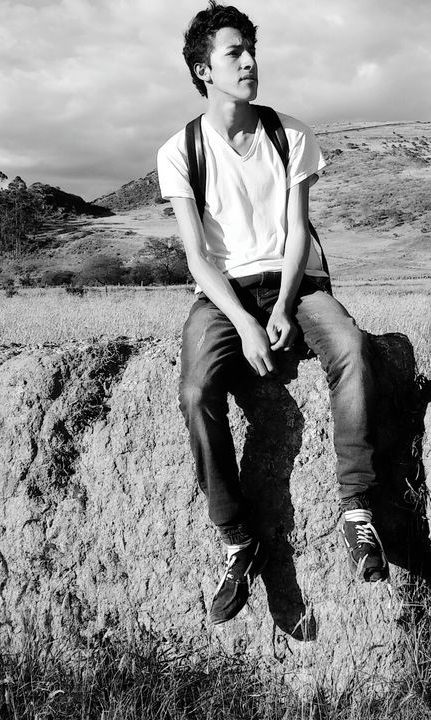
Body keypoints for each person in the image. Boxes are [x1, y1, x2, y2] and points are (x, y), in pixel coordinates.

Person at [156, 2, 387, 625]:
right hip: (224, 295)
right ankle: (236, 537)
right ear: (203, 70)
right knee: (197, 389)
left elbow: (296, 230)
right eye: (234, 53)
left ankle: (358, 510)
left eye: (252, 49)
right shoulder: (179, 150)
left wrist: (284, 305)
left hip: (294, 282)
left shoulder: (292, 135)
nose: (250, 62)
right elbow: (198, 258)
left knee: (352, 348)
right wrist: (247, 322)